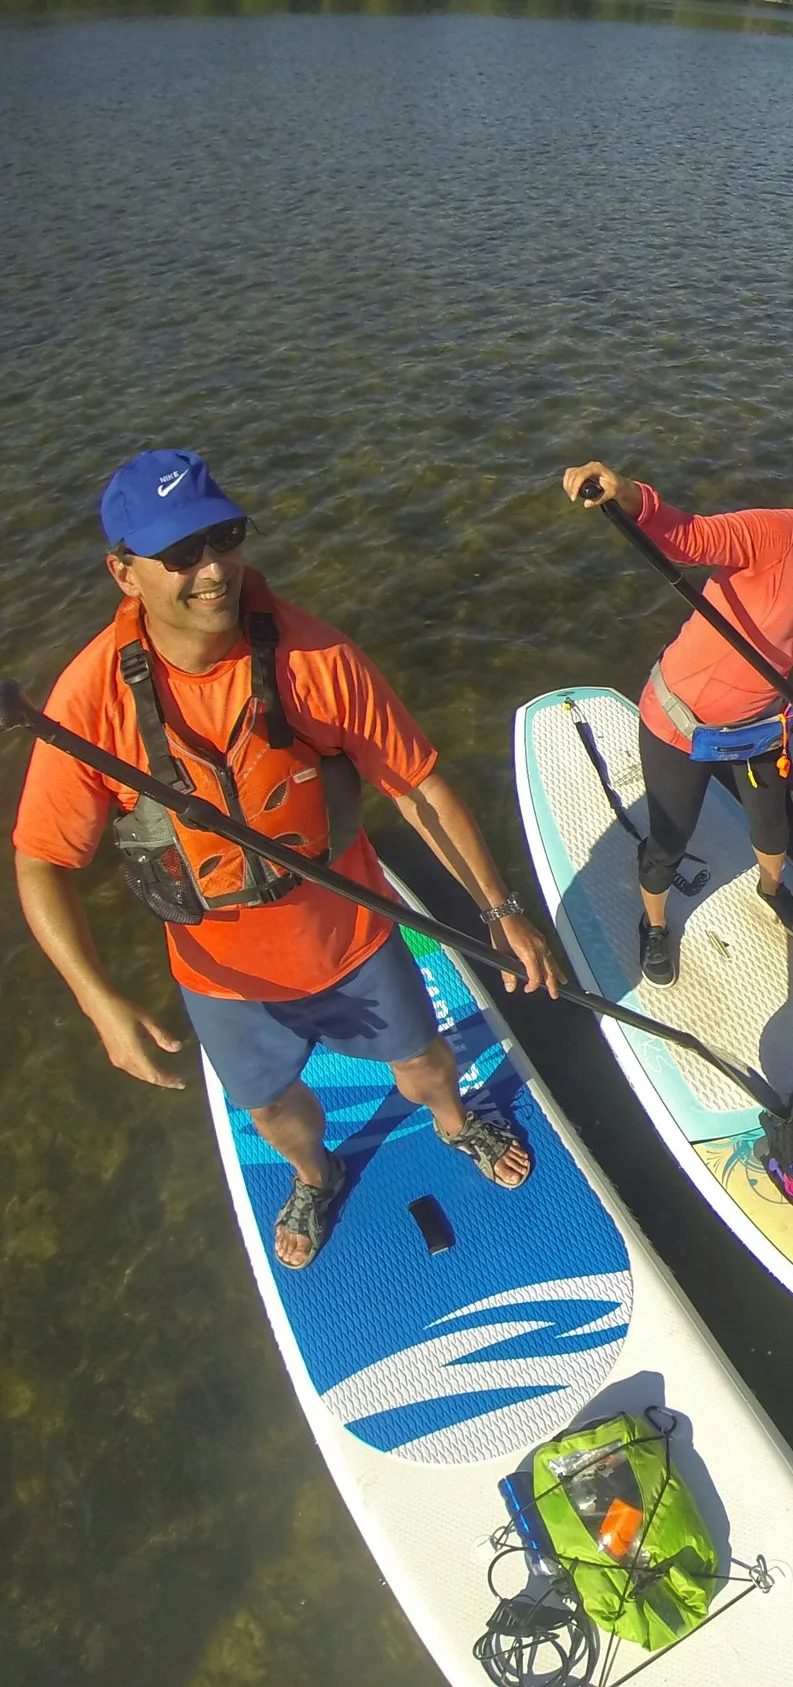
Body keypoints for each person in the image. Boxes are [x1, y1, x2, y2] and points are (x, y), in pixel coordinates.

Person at [13, 450, 560, 1271]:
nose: (212, 571)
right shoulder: (89, 702)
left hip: (355, 941)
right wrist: (97, 1000)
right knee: (274, 1114)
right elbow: (40, 861)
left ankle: (456, 1122)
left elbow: (417, 786)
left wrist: (499, 906)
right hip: (222, 981)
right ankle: (316, 1174)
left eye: (222, 538)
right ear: (123, 573)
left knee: (426, 1063)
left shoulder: (317, 660)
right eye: (180, 554)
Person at [562, 452, 793, 986]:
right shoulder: (776, 532)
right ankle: (653, 925)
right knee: (669, 843)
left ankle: (771, 889)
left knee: (774, 828)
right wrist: (625, 491)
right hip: (681, 721)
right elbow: (691, 537)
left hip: (760, 727)